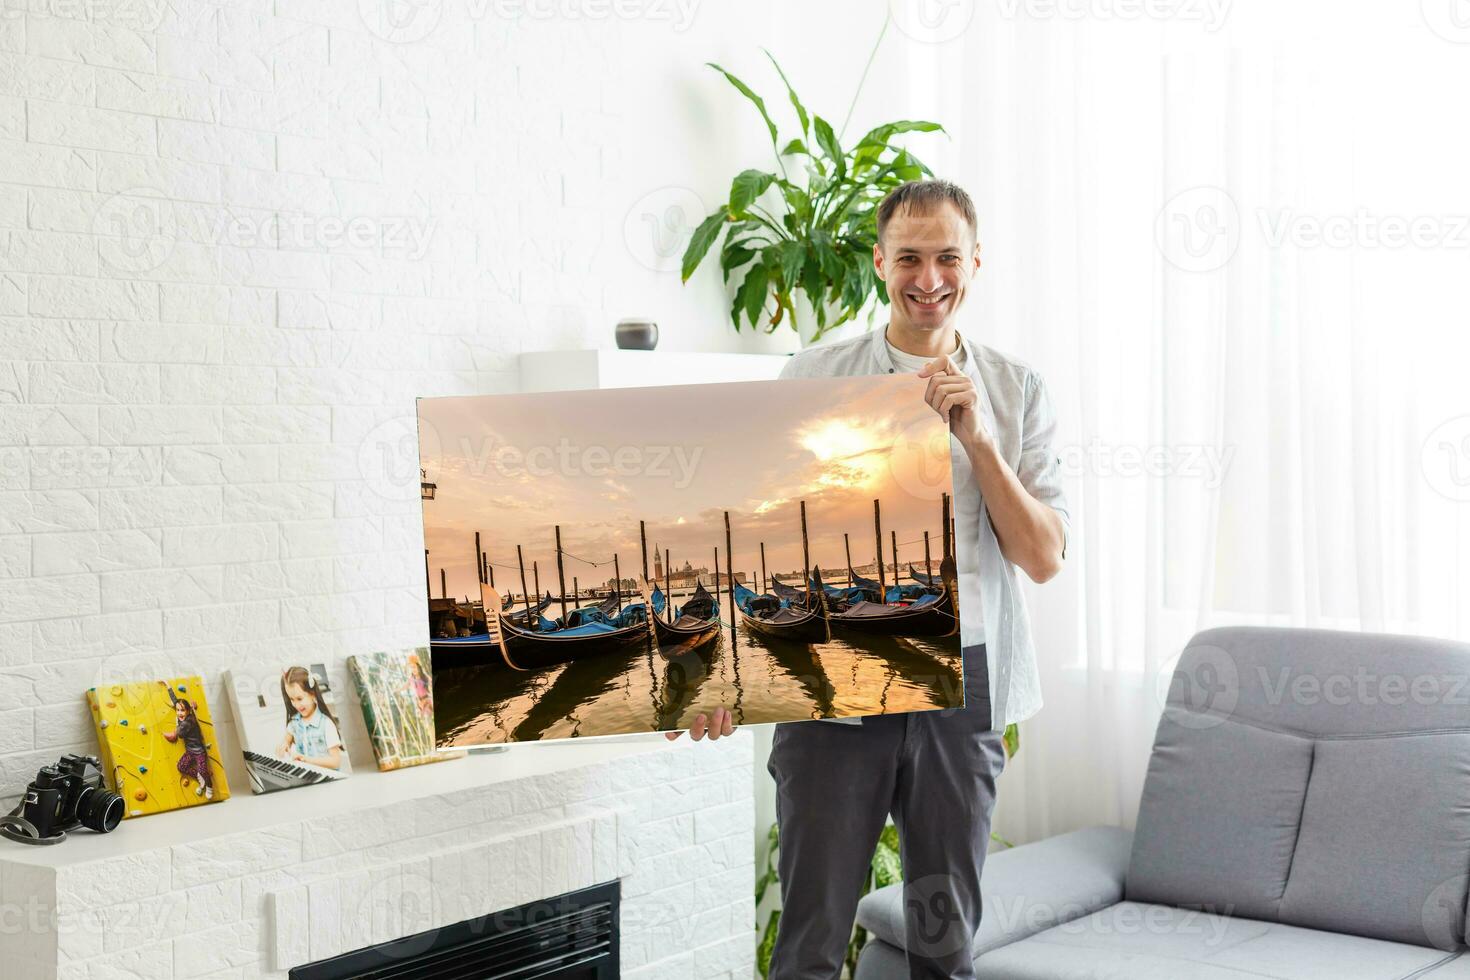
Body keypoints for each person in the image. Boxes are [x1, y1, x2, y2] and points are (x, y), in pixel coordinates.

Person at [668, 179, 1070, 978]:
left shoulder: (1017, 388)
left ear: (975, 263)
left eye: (947, 258)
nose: (929, 279)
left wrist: (979, 440)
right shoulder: (817, 375)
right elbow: (757, 535)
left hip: (967, 682)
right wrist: (719, 674)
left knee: (943, 944)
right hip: (833, 675)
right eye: (910, 258)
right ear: (880, 262)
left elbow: (1043, 557)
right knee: (810, 940)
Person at [277, 666, 347, 771]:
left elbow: (335, 762)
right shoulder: (294, 723)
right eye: (292, 699)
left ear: (313, 694)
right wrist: (284, 745)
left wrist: (306, 760)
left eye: (299, 698)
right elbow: (287, 739)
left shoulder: (326, 724)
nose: (296, 704)